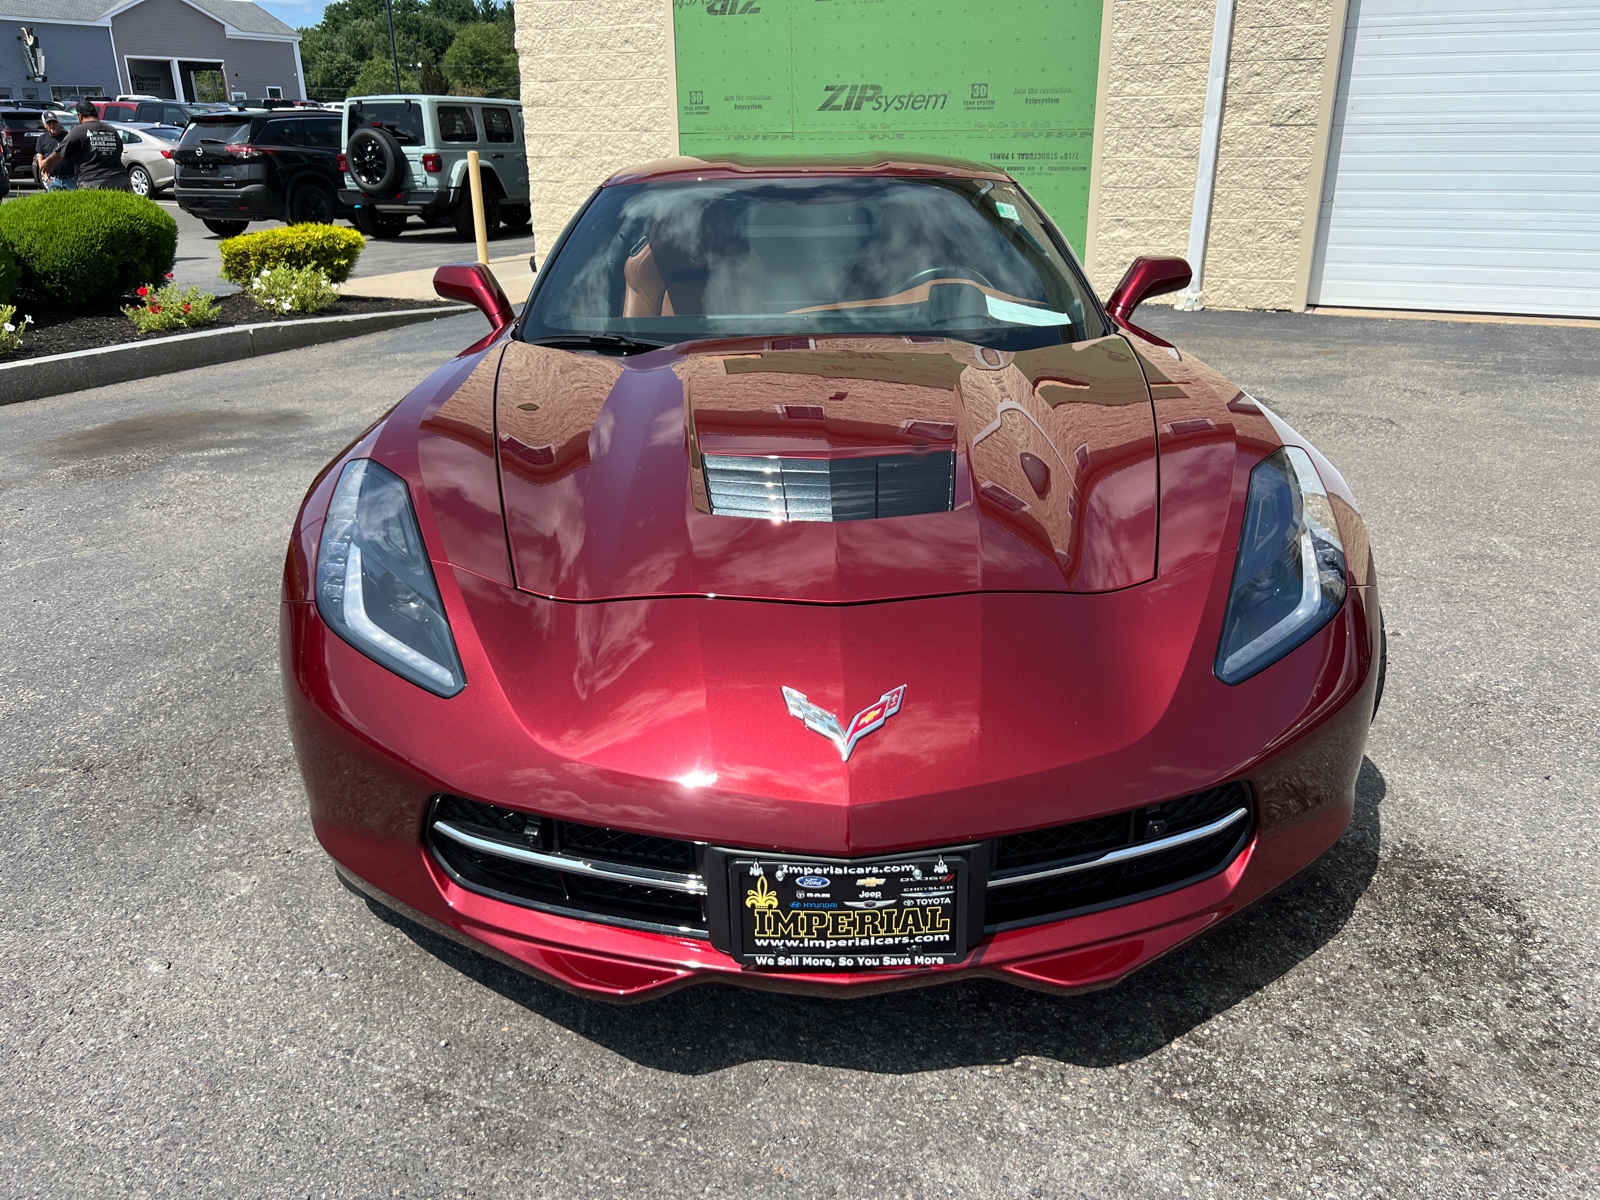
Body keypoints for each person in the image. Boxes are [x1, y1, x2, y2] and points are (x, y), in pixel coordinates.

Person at [40, 100, 128, 192]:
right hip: (120, 178)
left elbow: (61, 151)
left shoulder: (79, 130)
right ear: (96, 114)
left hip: (92, 180)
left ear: (80, 116)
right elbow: (119, 150)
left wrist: (48, 162)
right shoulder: (112, 130)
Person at [33, 112, 73, 191]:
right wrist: (45, 178)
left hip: (70, 179)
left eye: (54, 122)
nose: (52, 125)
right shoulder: (41, 139)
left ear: (58, 123)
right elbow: (40, 160)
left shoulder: (68, 137)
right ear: (45, 125)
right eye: (49, 123)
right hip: (53, 180)